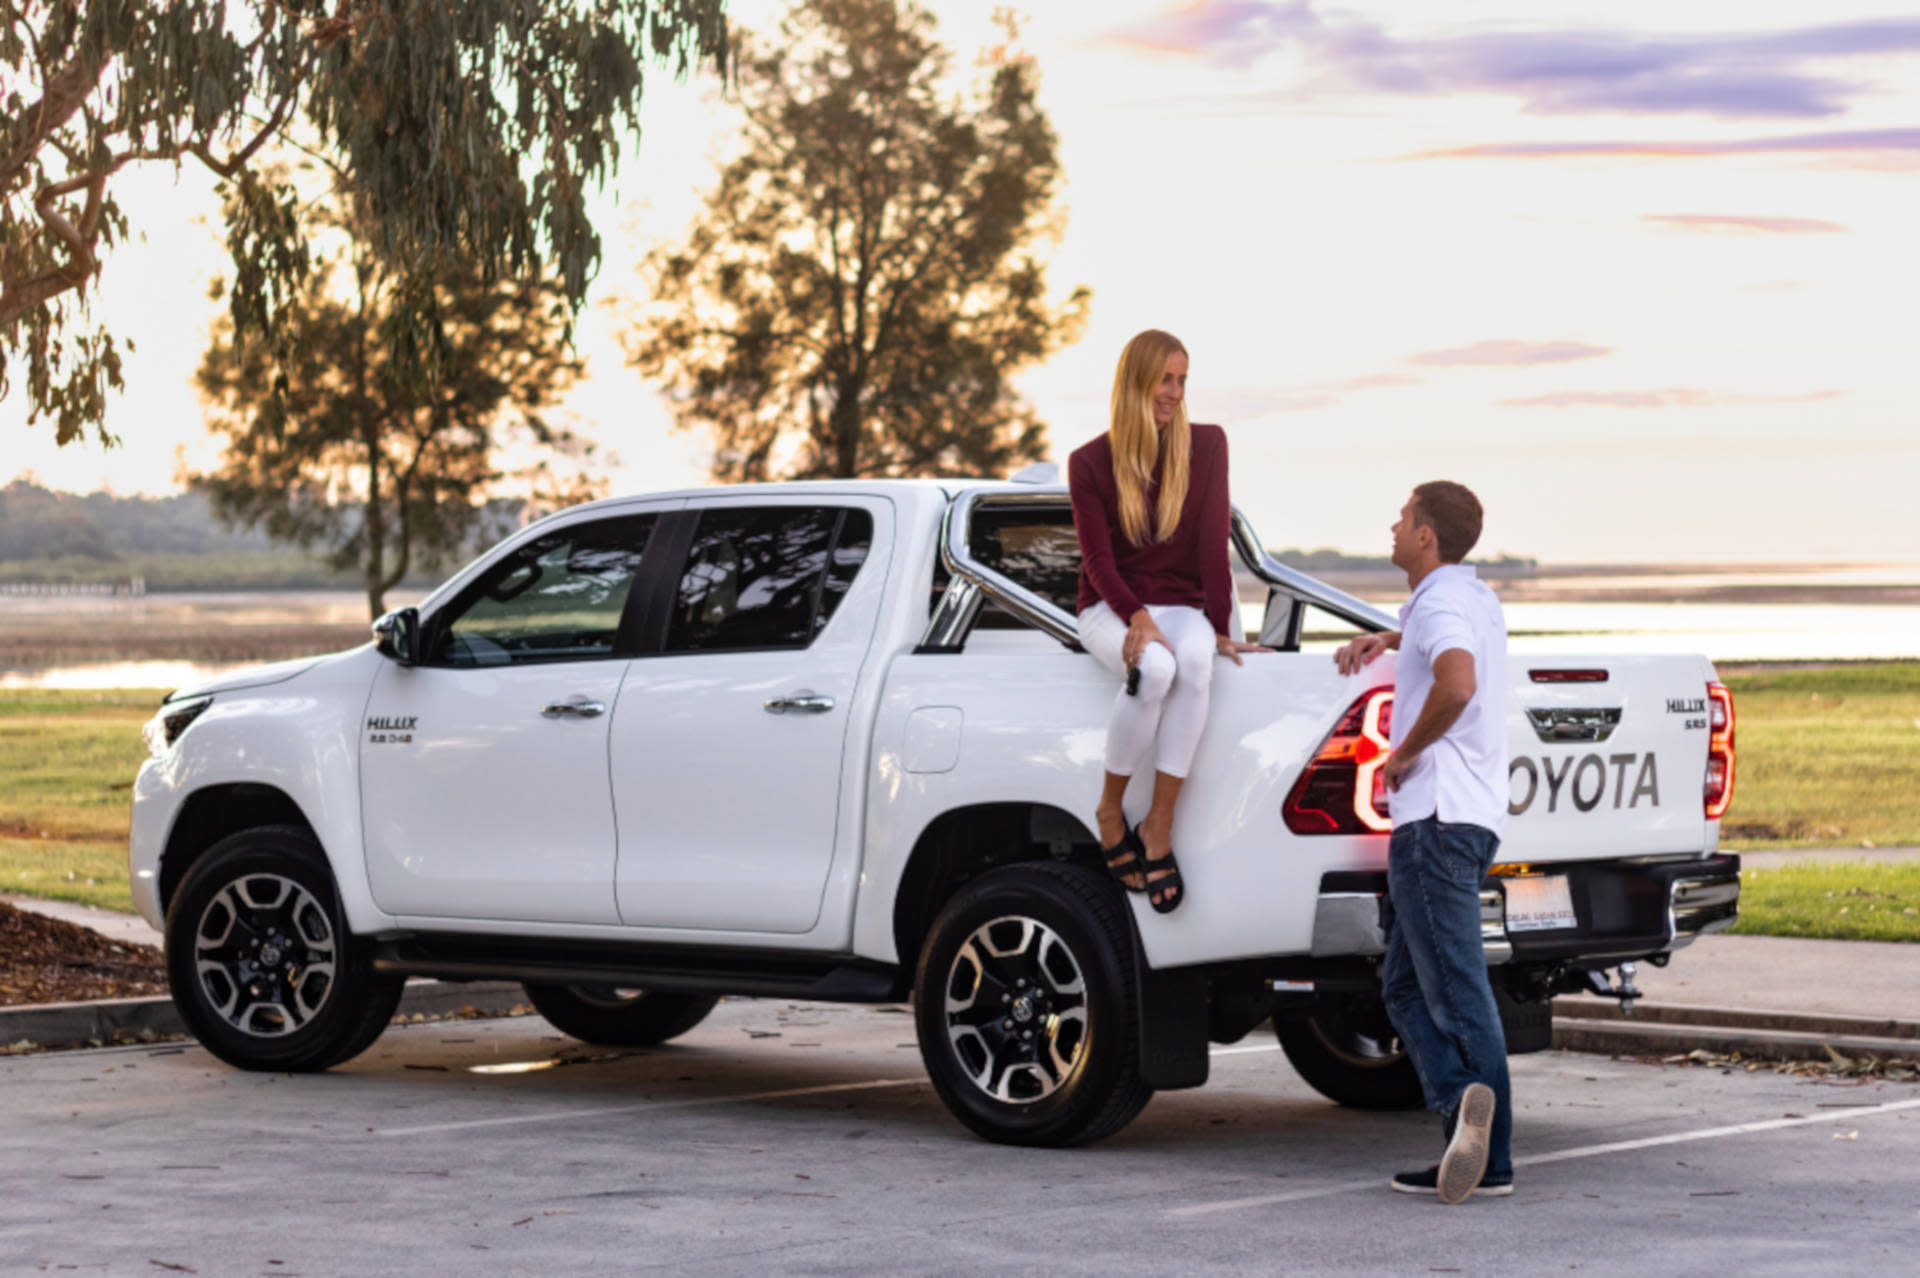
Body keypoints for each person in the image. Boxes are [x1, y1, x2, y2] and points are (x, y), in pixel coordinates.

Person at [1333, 481, 1513, 1204]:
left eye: (1404, 519)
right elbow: (1451, 645)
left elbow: (1458, 682)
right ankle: (1463, 1112)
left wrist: (1403, 751)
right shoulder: (1471, 598)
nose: (1394, 526)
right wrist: (1391, 638)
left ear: (1427, 536)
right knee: (1404, 987)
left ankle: (1487, 1156)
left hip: (1434, 820)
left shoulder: (1439, 602)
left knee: (1458, 995)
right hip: (1469, 816)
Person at [1068, 329, 1265, 913]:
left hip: (1181, 607)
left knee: (1197, 662)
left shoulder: (1206, 446)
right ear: (1136, 382)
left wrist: (1223, 624)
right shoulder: (1089, 463)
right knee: (1154, 669)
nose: (1176, 392)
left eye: (1182, 381)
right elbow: (1098, 562)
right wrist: (1136, 617)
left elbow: (1212, 545)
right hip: (1108, 607)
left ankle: (1158, 822)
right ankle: (1109, 810)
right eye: (1165, 379)